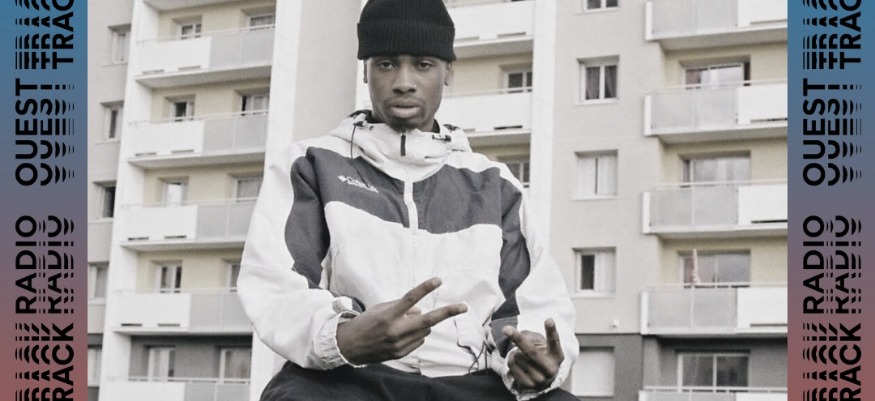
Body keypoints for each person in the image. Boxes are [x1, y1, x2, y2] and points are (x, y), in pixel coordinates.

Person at [238, 0, 579, 400]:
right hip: (349, 378)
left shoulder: (494, 184)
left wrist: (532, 357)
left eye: (422, 64)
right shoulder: (312, 164)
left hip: (468, 381)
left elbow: (535, 301)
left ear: (448, 70)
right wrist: (344, 336)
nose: (403, 81)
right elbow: (278, 286)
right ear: (365, 69)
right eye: (386, 64)